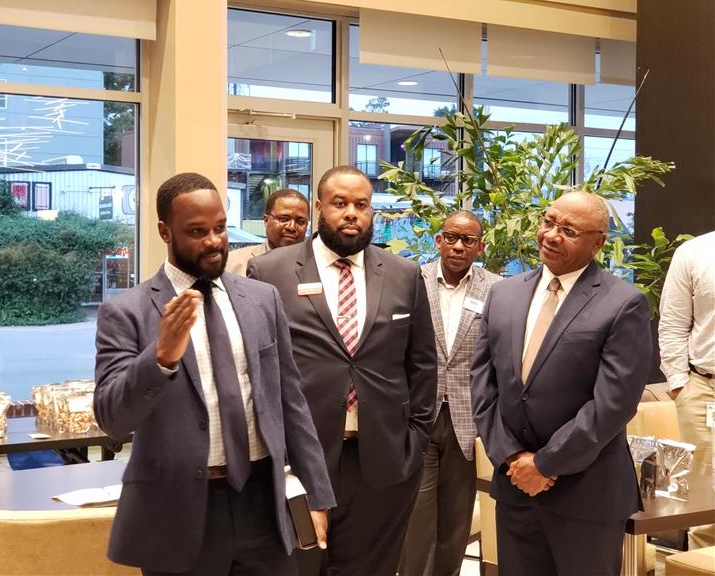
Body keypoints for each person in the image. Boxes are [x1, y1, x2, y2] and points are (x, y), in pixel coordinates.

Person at [94, 172, 335, 575]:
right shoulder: (127, 312)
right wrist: (159, 358)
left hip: (263, 503)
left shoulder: (261, 299)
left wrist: (317, 493)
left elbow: (290, 401)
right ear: (165, 232)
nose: (213, 241)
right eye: (197, 231)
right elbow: (112, 419)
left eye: (220, 228)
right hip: (180, 513)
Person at [247, 165, 437, 576]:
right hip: (302, 460)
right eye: (340, 203)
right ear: (319, 208)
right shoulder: (270, 272)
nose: (352, 213)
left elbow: (422, 363)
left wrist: (415, 440)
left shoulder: (404, 275)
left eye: (361, 205)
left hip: (384, 463)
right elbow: (259, 371)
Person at [471, 191, 651, 576]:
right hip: (515, 489)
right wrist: (511, 458)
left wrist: (545, 463)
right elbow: (483, 384)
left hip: (587, 495)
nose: (551, 235)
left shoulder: (623, 303)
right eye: (549, 222)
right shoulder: (503, 294)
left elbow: (613, 404)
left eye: (568, 230)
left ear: (597, 243)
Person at [399, 210, 501, 576]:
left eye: (468, 240)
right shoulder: (411, 280)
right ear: (439, 240)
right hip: (419, 415)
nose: (458, 246)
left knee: (456, 522)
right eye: (452, 238)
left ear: (480, 247)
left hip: (468, 420)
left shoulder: (497, 289)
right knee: (417, 516)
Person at [658, 230, 715, 549]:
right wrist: (680, 385)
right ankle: (700, 566)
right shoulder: (696, 252)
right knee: (706, 502)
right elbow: (672, 323)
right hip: (705, 390)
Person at [226, 188, 310, 276]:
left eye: (300, 222)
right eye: (284, 219)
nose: (292, 227)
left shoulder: (314, 265)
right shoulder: (233, 264)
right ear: (266, 220)